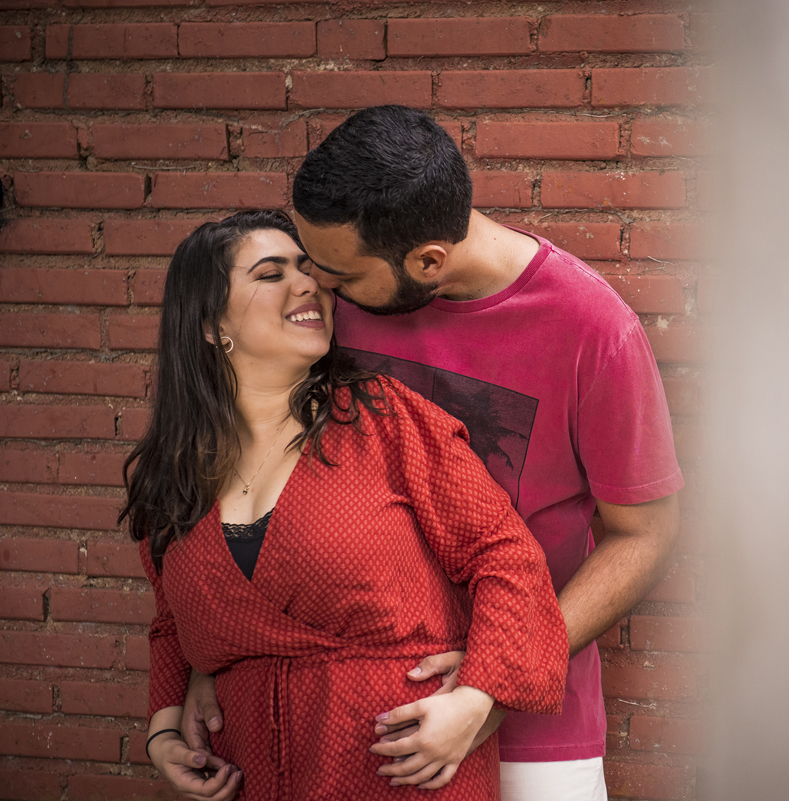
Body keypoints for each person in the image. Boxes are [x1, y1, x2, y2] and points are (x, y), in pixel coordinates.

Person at [182, 106, 684, 801]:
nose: (320, 291)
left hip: (537, 730)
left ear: (427, 262)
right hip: (367, 730)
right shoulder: (332, 311)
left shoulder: (593, 329)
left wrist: (494, 681)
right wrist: (219, 657)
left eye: (340, 276)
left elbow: (645, 536)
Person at [122, 210, 569, 801]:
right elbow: (171, 623)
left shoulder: (385, 421)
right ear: (209, 322)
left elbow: (507, 557)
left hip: (404, 768)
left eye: (308, 269)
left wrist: (474, 701)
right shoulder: (172, 474)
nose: (308, 284)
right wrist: (161, 735)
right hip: (249, 774)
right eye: (270, 273)